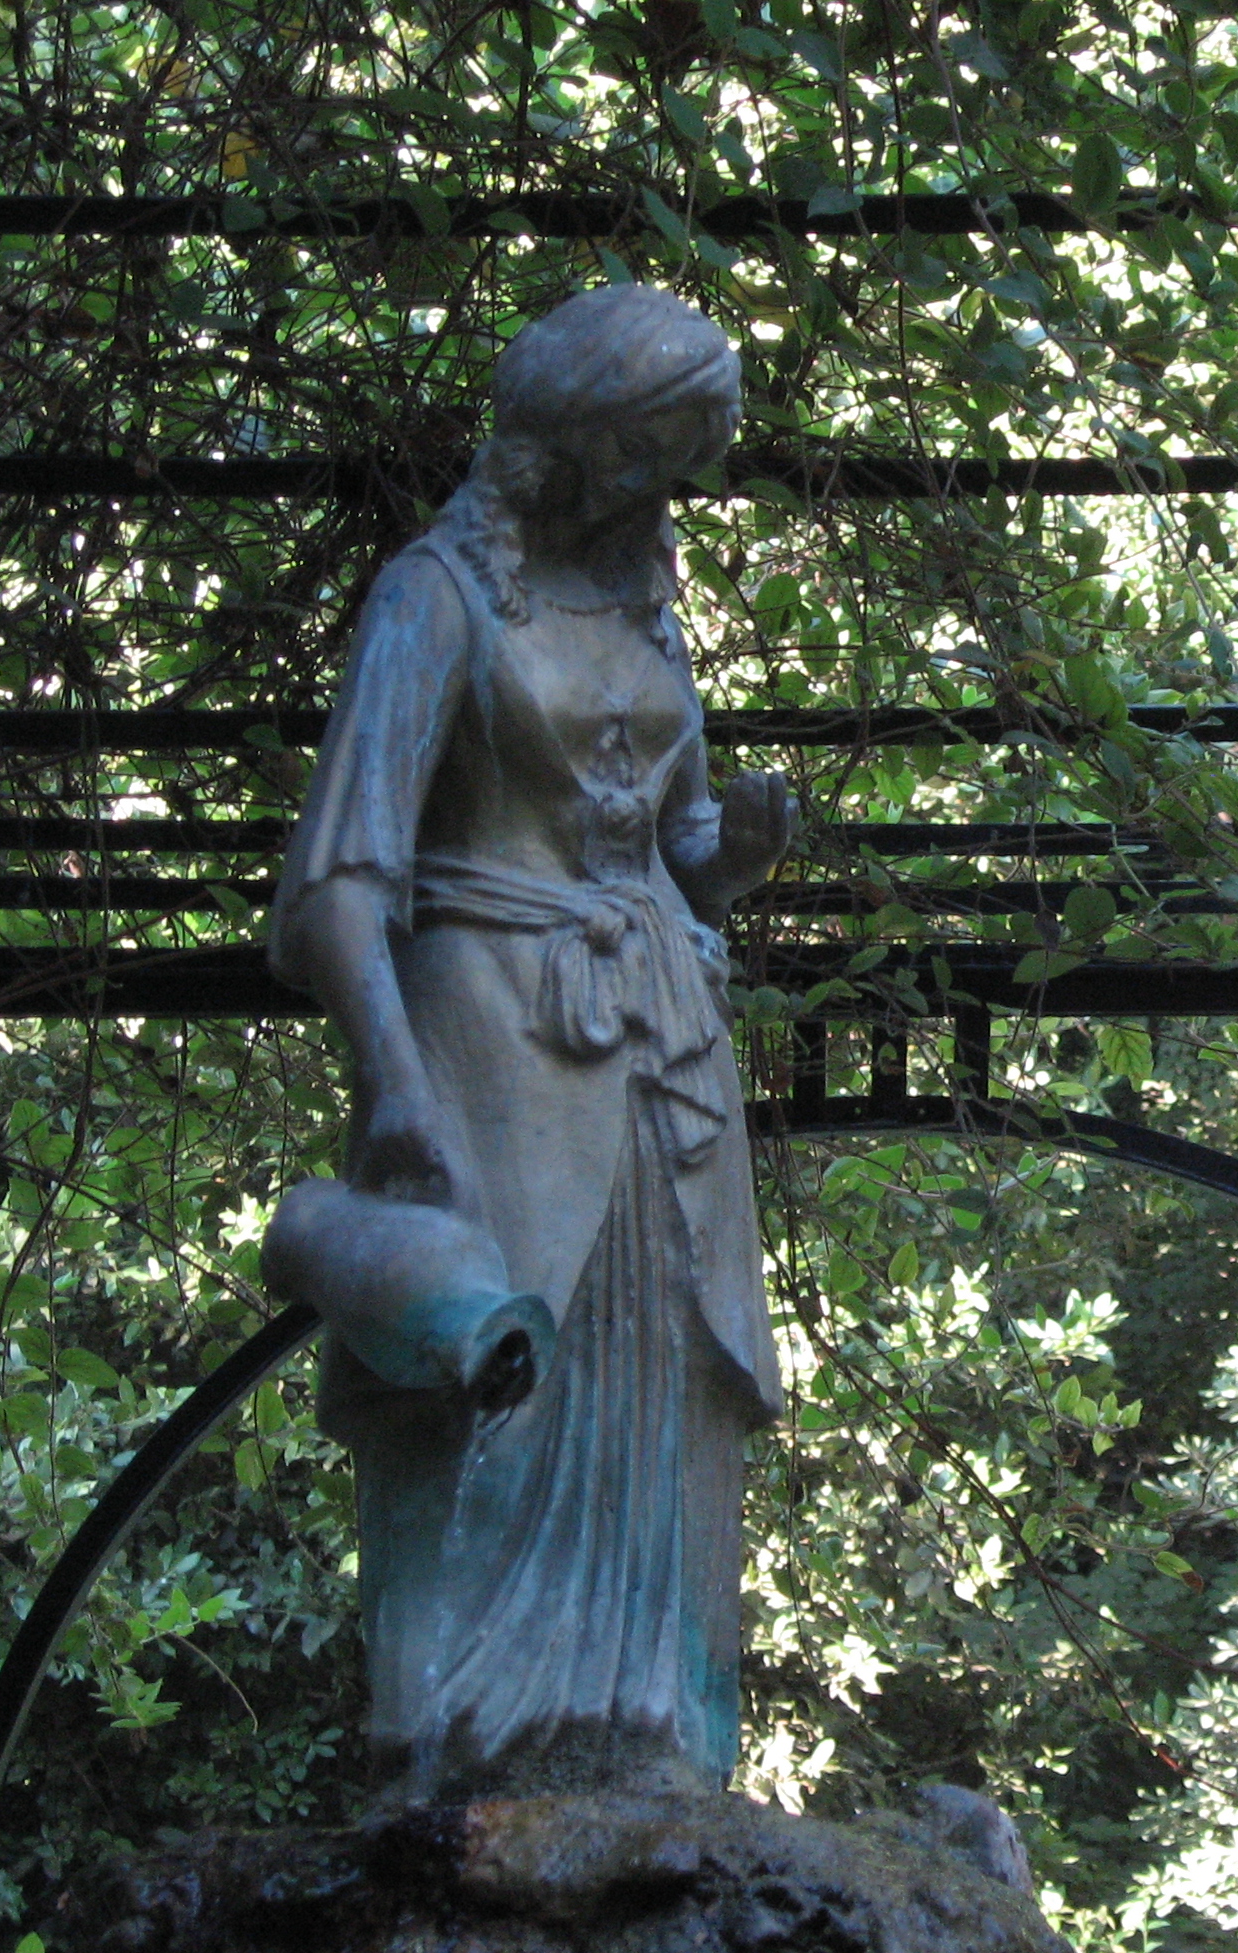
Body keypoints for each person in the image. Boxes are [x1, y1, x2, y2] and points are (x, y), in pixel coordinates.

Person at [267, 283, 790, 1802]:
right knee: (496, 1376)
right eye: (641, 451)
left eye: (676, 463)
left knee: (661, 1372)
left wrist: (734, 856)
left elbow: (667, 848)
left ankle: (650, 1742)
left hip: (661, 1047)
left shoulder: (643, 612)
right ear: (564, 437)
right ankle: (457, 1756)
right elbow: (337, 887)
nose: (654, 489)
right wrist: (395, 1089)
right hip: (487, 1033)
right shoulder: (435, 598)